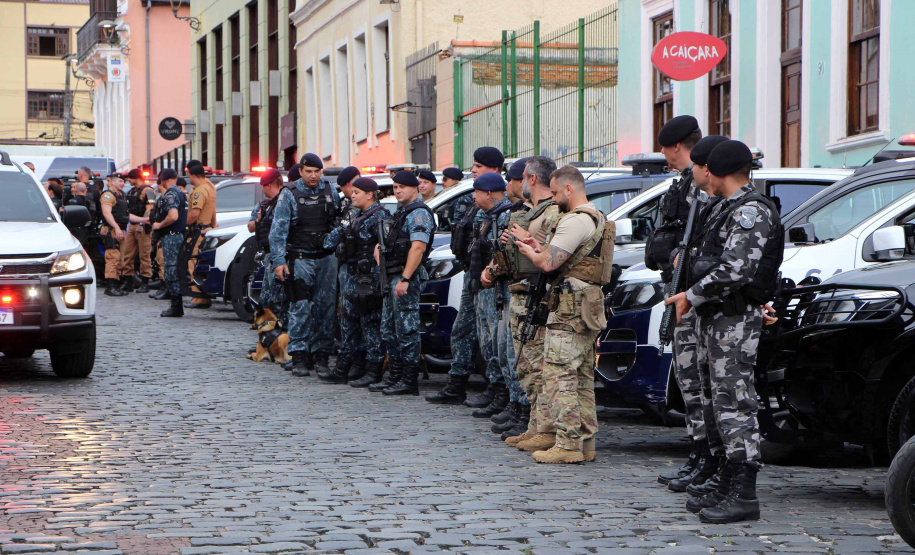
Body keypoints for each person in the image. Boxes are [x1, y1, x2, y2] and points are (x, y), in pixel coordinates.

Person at [666, 140, 782, 523]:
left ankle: (744, 492)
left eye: (708, 172)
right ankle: (726, 478)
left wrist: (691, 295)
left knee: (733, 401)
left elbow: (736, 269)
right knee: (716, 402)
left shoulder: (751, 211)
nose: (705, 180)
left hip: (733, 320)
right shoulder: (726, 208)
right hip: (715, 318)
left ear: (719, 173)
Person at [514, 165, 615, 464]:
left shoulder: (574, 220)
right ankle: (585, 442)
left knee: (558, 372)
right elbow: (564, 254)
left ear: (569, 189)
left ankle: (568, 442)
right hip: (587, 305)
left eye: (556, 192)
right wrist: (541, 246)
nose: (554, 198)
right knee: (582, 376)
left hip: (570, 309)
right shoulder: (597, 218)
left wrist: (533, 253)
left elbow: (548, 264)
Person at [643, 115, 712, 489]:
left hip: (695, 294)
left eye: (666, 151)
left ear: (675, 146)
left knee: (698, 383)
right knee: (689, 381)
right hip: (679, 288)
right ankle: (698, 454)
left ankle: (706, 457)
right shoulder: (685, 183)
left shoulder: (702, 186)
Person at [487, 156, 560, 443]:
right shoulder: (530, 211)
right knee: (526, 366)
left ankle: (545, 429)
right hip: (519, 291)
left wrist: (524, 238)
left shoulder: (552, 211)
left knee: (538, 366)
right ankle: (535, 425)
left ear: (531, 178)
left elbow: (552, 250)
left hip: (537, 294)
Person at [425, 146, 504, 406]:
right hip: (472, 272)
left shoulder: (500, 209)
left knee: (490, 337)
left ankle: (497, 389)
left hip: (488, 280)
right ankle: (457, 383)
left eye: (478, 167)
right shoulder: (475, 204)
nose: (472, 170)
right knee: (463, 331)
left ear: (493, 170)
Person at [271, 153, 341, 377]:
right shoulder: (289, 195)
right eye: (308, 171)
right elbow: (278, 231)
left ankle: (322, 356)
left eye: (316, 171)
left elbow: (338, 222)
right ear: (300, 171)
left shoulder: (330, 192)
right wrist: (279, 261)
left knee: (326, 308)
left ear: (322, 172)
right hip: (300, 258)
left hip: (326, 258)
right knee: (300, 308)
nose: (313, 176)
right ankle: (299, 356)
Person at [322, 177, 392, 385]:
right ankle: (346, 365)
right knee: (349, 322)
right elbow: (329, 242)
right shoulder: (355, 216)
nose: (352, 196)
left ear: (369, 194)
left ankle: (373, 369)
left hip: (368, 278)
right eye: (352, 192)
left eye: (356, 193)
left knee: (371, 324)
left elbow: (386, 249)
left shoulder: (380, 217)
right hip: (350, 275)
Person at [371, 170, 435, 395]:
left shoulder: (419, 214)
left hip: (405, 278)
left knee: (406, 330)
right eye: (395, 187)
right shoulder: (403, 212)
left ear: (415, 188)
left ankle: (409, 380)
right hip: (392, 277)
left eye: (402, 187)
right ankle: (395, 375)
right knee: (389, 329)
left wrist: (406, 278)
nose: (397, 191)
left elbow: (418, 247)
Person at [466, 172, 514, 421]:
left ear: (488, 193)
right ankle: (496, 390)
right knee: (488, 343)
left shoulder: (505, 216)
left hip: (497, 289)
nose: (473, 197)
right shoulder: (486, 217)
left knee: (498, 343)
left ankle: (505, 396)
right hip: (484, 287)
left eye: (476, 192)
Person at [99, 173, 147, 296]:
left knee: (121, 259)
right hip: (112, 230)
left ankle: (116, 285)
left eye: (123, 182)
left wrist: (142, 220)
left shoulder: (122, 195)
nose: (122, 183)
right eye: (120, 181)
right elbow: (106, 213)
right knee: (112, 258)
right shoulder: (108, 195)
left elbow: (126, 215)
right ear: (113, 182)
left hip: (120, 229)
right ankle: (110, 287)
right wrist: (116, 227)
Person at [151, 169, 189, 317]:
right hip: (178, 235)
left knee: (171, 270)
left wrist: (159, 225)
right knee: (174, 269)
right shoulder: (180, 193)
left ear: (164, 180)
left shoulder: (171, 194)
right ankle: (176, 304)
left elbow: (173, 216)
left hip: (172, 237)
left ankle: (176, 306)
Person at [253, 170, 288, 319]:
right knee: (267, 297)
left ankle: (279, 328)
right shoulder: (269, 204)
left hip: (280, 256)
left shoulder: (284, 201)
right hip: (270, 255)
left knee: (277, 298)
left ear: (268, 186)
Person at [185, 164, 218, 308]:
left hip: (198, 231)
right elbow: (213, 209)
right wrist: (213, 224)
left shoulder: (199, 191)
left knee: (193, 263)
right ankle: (204, 296)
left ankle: (198, 298)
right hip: (207, 229)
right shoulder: (210, 187)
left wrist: (184, 226)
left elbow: (194, 213)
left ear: (193, 175)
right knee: (204, 265)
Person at [120, 169, 156, 293]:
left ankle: (145, 282)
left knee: (144, 255)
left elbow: (149, 208)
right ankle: (128, 281)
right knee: (127, 254)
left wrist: (142, 223)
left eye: (129, 178)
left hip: (143, 227)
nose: (128, 180)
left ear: (135, 178)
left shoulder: (148, 191)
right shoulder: (132, 191)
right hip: (132, 225)